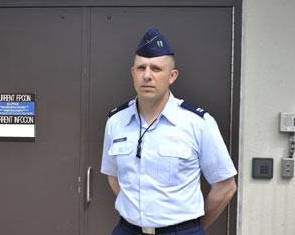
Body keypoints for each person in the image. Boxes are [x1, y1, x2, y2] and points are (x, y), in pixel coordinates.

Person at [101, 28, 237, 235]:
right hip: (127, 230)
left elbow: (225, 186)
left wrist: (193, 229)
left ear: (172, 76)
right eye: (141, 68)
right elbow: (113, 176)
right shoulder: (116, 121)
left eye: (156, 69)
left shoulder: (198, 123)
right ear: (133, 73)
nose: (147, 75)